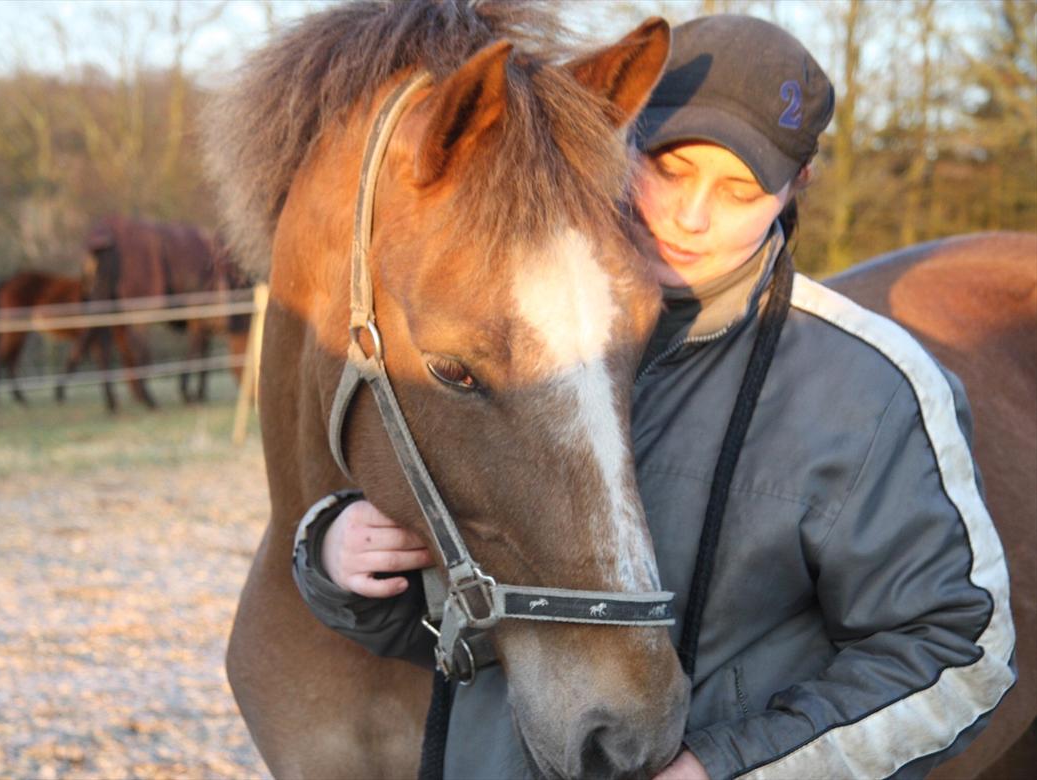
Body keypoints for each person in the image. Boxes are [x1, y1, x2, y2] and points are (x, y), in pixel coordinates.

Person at [291, 14, 1015, 780]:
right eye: (667, 167)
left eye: (739, 190)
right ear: (618, 143)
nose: (691, 217)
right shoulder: (545, 326)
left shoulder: (870, 390)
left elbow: (957, 657)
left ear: (793, 189)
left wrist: (727, 768)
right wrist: (341, 557)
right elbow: (499, 587)